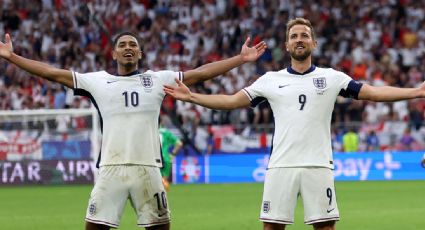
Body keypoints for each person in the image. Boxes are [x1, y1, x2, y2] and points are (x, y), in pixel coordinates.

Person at [164, 18, 425, 230]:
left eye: (304, 35)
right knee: (272, 228)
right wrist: (193, 97)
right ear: (287, 46)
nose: (299, 39)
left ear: (314, 42)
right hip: (281, 166)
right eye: (294, 36)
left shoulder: (332, 78)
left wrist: (415, 91)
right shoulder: (269, 79)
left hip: (318, 164)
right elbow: (232, 101)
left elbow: (373, 92)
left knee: (325, 227)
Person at [0, 32, 266, 230]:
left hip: (148, 169)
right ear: (114, 54)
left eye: (133, 46)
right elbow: (52, 73)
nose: (128, 48)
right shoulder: (97, 81)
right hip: (111, 169)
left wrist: (240, 59)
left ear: (139, 54)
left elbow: (199, 74)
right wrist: (12, 57)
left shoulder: (158, 79)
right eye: (122, 45)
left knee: (160, 227)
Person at [159, 126, 183, 191]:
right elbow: (179, 144)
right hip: (165, 158)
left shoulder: (151, 131)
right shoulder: (166, 132)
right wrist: (172, 154)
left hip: (153, 159)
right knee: (164, 180)